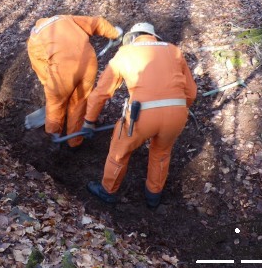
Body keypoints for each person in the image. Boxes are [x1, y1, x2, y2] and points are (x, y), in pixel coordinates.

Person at [81, 22, 197, 208]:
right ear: (153, 37)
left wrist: (89, 121)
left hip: (141, 115)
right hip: (177, 113)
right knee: (161, 153)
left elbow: (101, 92)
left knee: (119, 151)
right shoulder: (174, 50)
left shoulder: (125, 53)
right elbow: (191, 92)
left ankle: (107, 191)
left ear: (132, 37)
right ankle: (153, 196)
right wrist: (178, 110)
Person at [27, 15, 123, 149]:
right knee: (79, 103)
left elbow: (41, 69)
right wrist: (115, 33)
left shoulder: (34, 38)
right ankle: (75, 142)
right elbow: (96, 22)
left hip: (63, 72)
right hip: (89, 63)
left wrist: (53, 90)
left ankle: (53, 141)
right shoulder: (65, 18)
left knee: (55, 105)